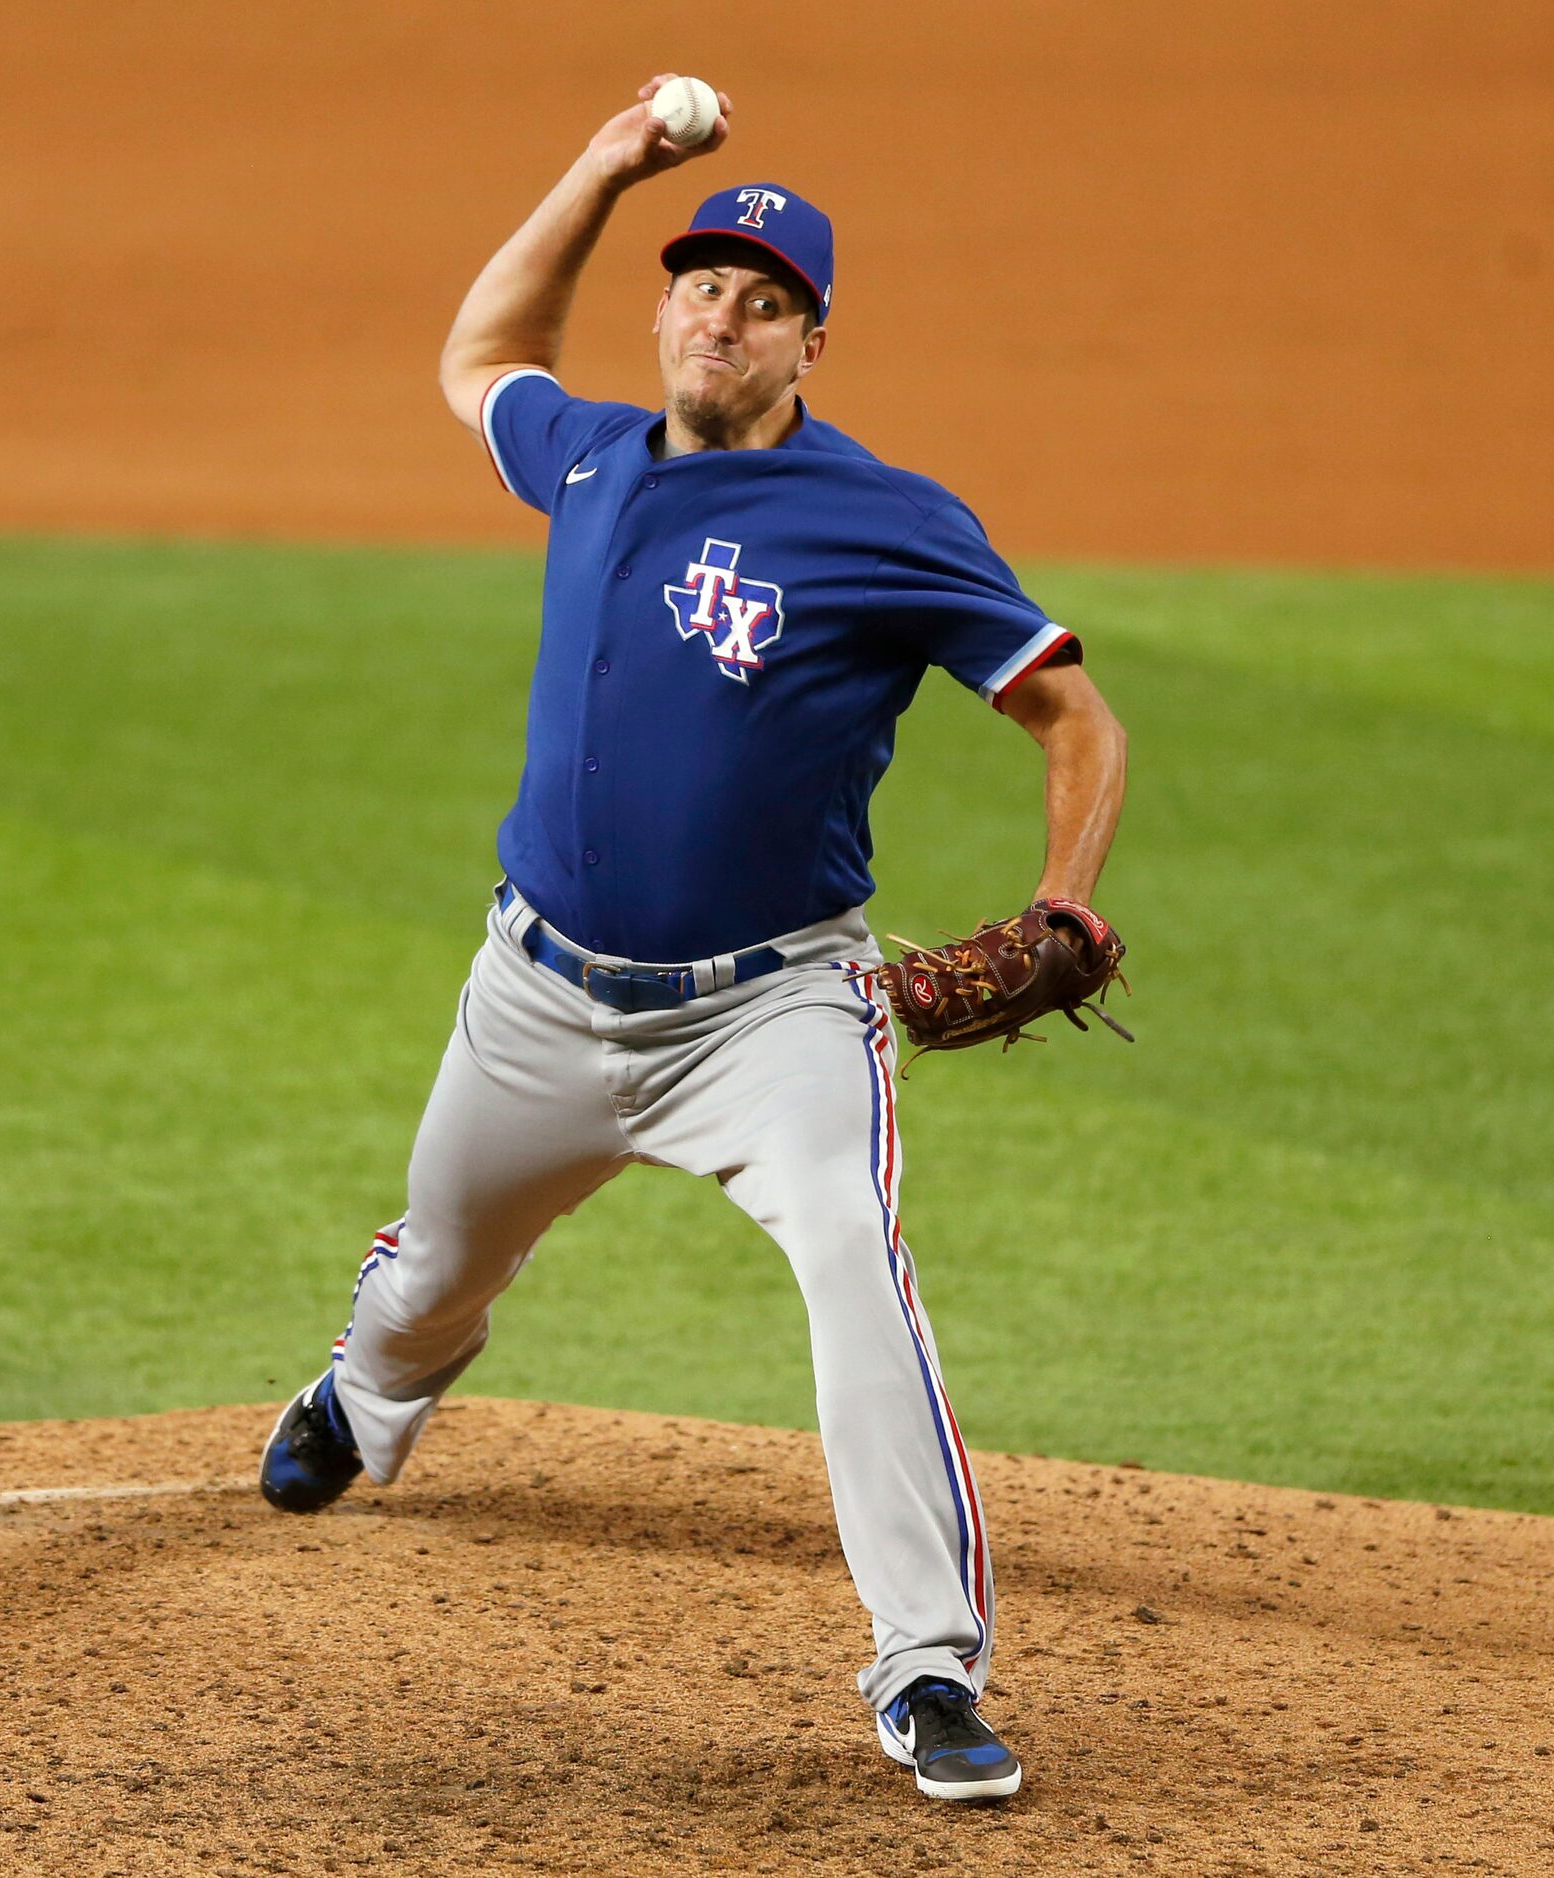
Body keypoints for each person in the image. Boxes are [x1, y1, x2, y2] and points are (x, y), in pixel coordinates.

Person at [260, 76, 1128, 1804]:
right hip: (537, 995)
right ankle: (366, 1398)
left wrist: (1061, 900)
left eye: (763, 298)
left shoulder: (882, 516)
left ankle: (927, 1668)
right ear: (664, 308)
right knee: (434, 1270)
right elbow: (475, 357)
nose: (719, 313)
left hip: (773, 1015)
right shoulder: (586, 453)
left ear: (812, 340)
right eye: (700, 285)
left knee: (852, 1264)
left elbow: (1075, 720)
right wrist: (597, 166)